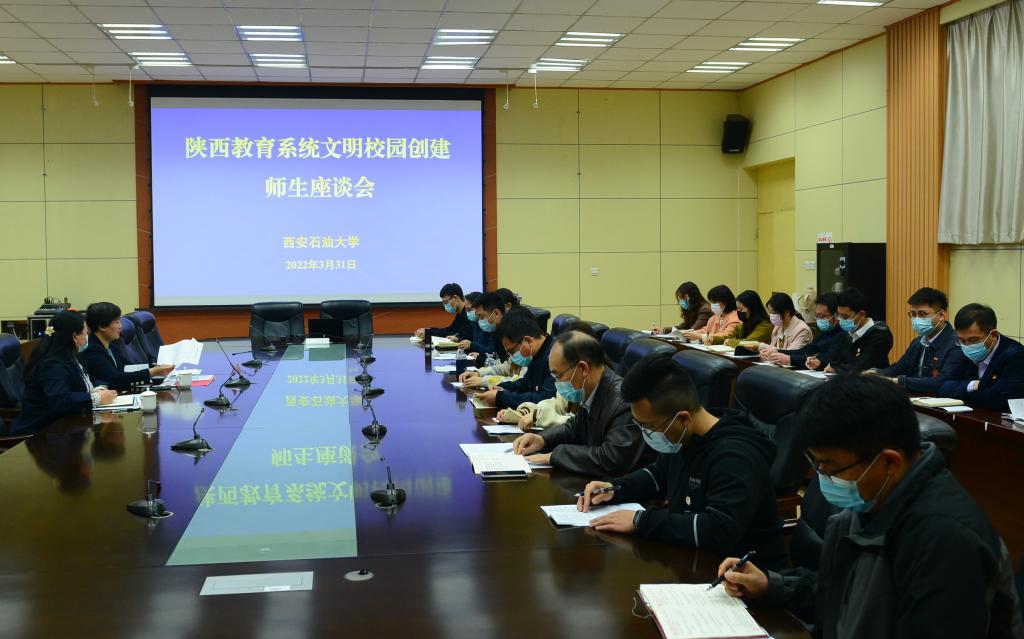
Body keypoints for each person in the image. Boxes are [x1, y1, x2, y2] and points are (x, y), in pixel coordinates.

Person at [717, 375, 1024, 638]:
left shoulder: (946, 540)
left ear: (890, 462)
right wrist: (770, 585)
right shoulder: (873, 499)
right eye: (816, 464)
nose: (822, 478)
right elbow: (841, 595)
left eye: (831, 467)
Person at [576, 352, 788, 570]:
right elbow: (659, 475)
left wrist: (641, 521)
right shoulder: (685, 436)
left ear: (683, 418)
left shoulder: (736, 456)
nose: (645, 433)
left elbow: (718, 530)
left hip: (744, 577)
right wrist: (614, 488)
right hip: (695, 562)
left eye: (648, 426)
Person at [512, 331, 656, 476]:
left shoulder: (623, 402)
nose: (557, 383)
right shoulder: (593, 389)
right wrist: (542, 439)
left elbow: (611, 459)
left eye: (559, 376)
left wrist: (556, 456)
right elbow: (574, 428)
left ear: (583, 369)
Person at [9, 311, 117, 435]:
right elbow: (61, 400)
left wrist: (94, 390)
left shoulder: (71, 355)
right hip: (40, 433)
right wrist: (97, 398)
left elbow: (78, 384)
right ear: (75, 337)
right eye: (86, 333)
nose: (88, 336)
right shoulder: (52, 364)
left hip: (62, 428)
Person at [870, 287, 970, 394]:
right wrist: (875, 373)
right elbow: (898, 369)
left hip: (942, 402)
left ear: (941, 315)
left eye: (922, 314)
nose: (916, 319)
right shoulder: (917, 342)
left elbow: (942, 382)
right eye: (913, 314)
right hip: (916, 399)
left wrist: (897, 381)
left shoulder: (957, 343)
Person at [938, 303, 1024, 411]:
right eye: (962, 340)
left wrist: (958, 393)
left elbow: (997, 400)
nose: (967, 346)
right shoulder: (963, 348)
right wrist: (974, 385)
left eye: (973, 340)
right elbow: (943, 386)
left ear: (993, 335)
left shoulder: (1016, 356)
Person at [473, 308, 556, 409]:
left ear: (529, 341)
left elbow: (545, 398)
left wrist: (500, 397)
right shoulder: (536, 354)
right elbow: (525, 384)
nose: (512, 357)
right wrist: (501, 387)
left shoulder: (554, 356)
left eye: (512, 351)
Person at [79, 302, 173, 390]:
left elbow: (127, 367)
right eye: (116, 322)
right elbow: (117, 379)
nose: (120, 326)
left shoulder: (110, 345)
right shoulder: (92, 351)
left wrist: (157, 367)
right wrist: (153, 372)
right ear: (101, 326)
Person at [766, 293, 850, 370]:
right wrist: (778, 352)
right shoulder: (825, 331)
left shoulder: (844, 334)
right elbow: (807, 350)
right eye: (817, 316)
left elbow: (825, 358)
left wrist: (789, 359)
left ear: (836, 316)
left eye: (822, 316)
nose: (819, 320)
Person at [826, 287, 892, 373]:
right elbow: (833, 359)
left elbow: (860, 367)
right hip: (845, 378)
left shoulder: (879, 335)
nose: (841, 320)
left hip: (871, 380)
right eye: (839, 315)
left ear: (861, 314)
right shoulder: (847, 332)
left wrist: (836, 367)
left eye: (845, 317)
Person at [757, 292, 813, 360]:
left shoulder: (802, 329)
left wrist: (761, 346)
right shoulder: (778, 326)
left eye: (774, 312)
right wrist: (766, 352)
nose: (771, 316)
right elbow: (774, 348)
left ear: (786, 312)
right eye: (770, 312)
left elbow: (791, 354)